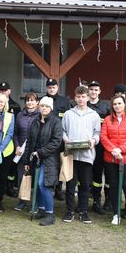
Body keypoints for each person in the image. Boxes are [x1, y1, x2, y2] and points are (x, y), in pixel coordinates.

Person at [100, 94, 126, 231]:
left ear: (125, 104)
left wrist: (120, 150)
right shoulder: (107, 120)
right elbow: (103, 137)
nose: (117, 106)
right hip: (110, 158)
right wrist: (113, 150)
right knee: (114, 186)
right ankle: (116, 214)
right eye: (115, 104)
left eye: (119, 103)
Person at [62, 86, 101, 224]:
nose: (81, 99)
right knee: (70, 185)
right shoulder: (68, 114)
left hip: (87, 155)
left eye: (83, 96)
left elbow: (97, 133)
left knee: (85, 185)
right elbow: (63, 131)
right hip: (72, 155)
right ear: (75, 97)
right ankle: (69, 211)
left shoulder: (94, 115)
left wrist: (93, 140)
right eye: (78, 97)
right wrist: (66, 140)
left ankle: (83, 212)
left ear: (88, 98)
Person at [22, 96, 62, 226]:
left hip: (49, 159)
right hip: (34, 158)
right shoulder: (35, 121)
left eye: (47, 106)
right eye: (42, 106)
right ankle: (41, 209)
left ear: (51, 108)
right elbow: (29, 142)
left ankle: (50, 214)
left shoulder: (56, 122)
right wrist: (27, 160)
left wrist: (40, 152)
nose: (44, 108)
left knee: (43, 184)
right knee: (37, 186)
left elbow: (56, 142)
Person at [0, 81, 21, 197]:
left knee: (2, 177)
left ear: (5, 103)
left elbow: (10, 134)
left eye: (2, 102)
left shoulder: (11, 116)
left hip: (5, 152)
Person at [87, 80, 111, 214]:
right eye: (91, 89)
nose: (93, 92)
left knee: (102, 173)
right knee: (88, 174)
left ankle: (102, 200)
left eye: (96, 89)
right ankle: (90, 201)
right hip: (87, 145)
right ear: (88, 91)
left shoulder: (106, 107)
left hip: (102, 145)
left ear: (99, 91)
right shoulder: (85, 105)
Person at [45, 78, 72, 201]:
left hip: (60, 138)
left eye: (54, 87)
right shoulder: (43, 101)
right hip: (46, 138)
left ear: (57, 88)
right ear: (47, 88)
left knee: (60, 163)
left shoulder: (64, 101)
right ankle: (49, 187)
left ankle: (59, 189)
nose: (51, 89)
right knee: (49, 164)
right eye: (49, 87)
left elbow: (68, 119)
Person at [12, 92, 39, 211]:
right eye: (28, 100)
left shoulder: (40, 115)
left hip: (35, 151)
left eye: (32, 100)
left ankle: (35, 204)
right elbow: (15, 133)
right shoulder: (19, 115)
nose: (30, 102)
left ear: (37, 102)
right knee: (21, 177)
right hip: (21, 152)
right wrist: (17, 146)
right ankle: (22, 201)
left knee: (35, 179)